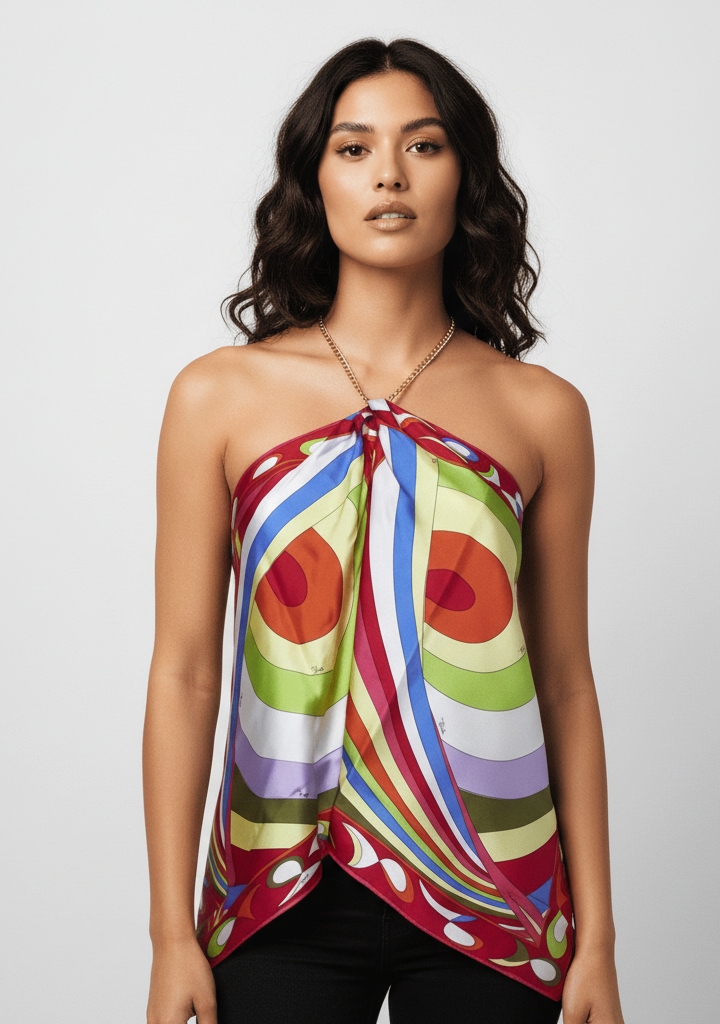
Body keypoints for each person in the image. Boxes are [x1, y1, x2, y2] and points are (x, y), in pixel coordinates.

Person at [143, 37, 625, 1024]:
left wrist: (599, 944)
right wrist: (168, 935)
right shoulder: (217, 397)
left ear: (466, 177)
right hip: (274, 894)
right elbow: (185, 671)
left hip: (499, 896)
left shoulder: (542, 412)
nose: (389, 175)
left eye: (424, 145)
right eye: (354, 148)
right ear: (313, 178)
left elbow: (565, 681)